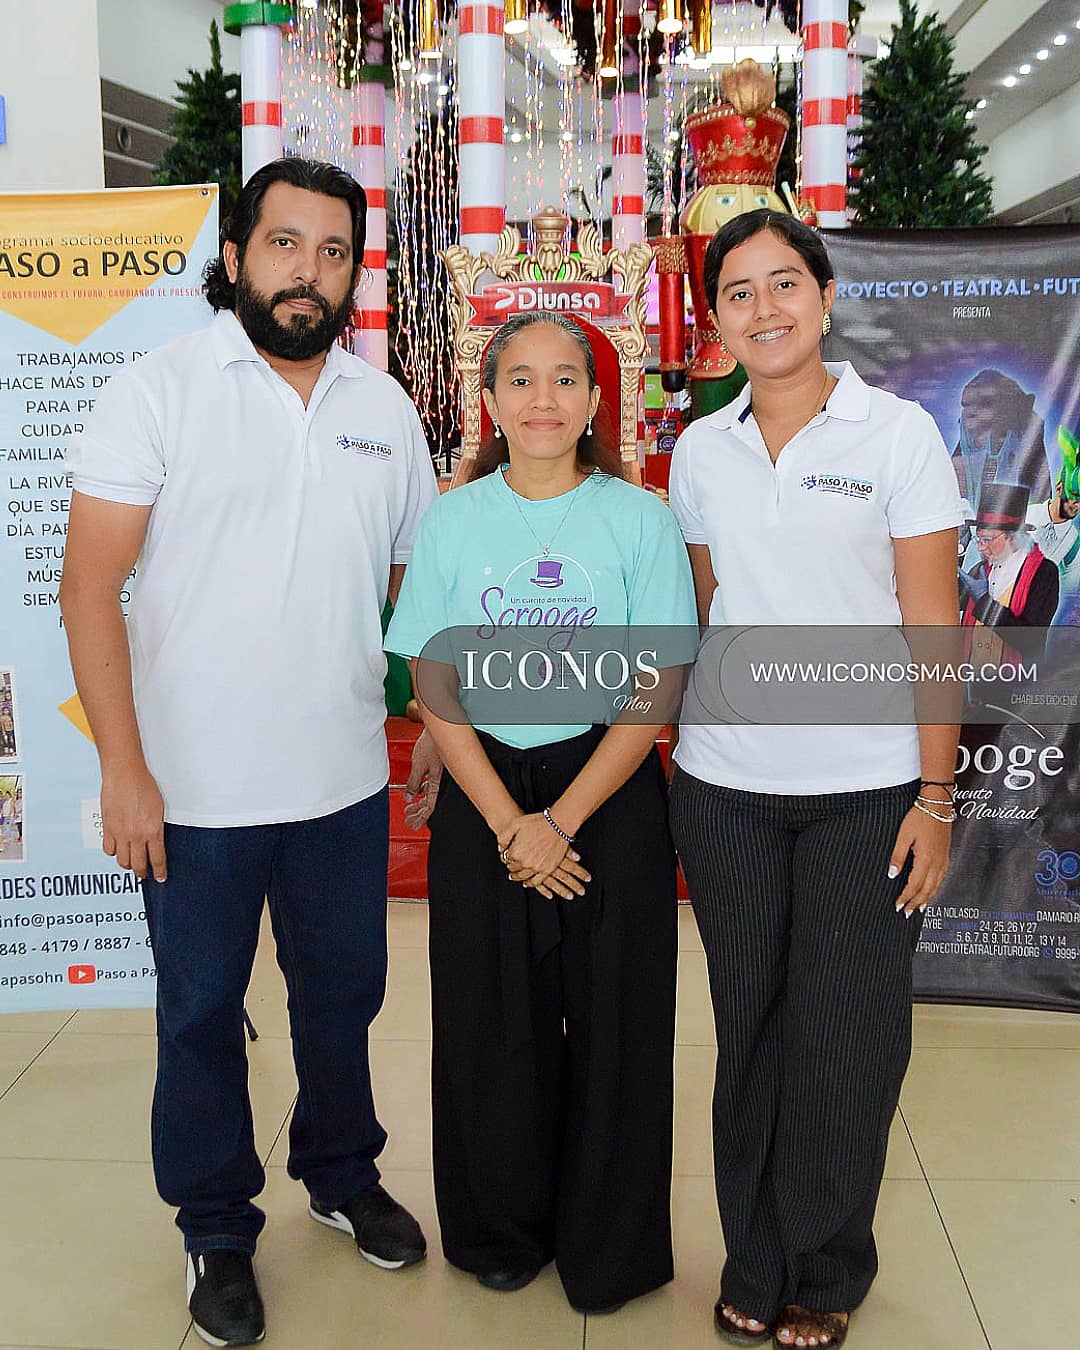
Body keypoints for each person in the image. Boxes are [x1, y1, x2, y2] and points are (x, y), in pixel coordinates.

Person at [60, 157, 439, 1349]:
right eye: (284, 245)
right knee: (200, 1012)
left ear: (353, 273)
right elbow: (86, 590)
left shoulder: (386, 410)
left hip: (340, 783)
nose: (306, 272)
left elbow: (408, 592)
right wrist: (123, 771)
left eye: (333, 252)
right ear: (235, 257)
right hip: (193, 793)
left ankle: (338, 1173)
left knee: (342, 1001)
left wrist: (426, 721)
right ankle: (218, 1226)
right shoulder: (158, 389)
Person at [667, 210, 965, 1350]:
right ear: (717, 321)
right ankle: (755, 1251)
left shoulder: (897, 437)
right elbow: (701, 615)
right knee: (750, 1030)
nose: (764, 309)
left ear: (825, 296)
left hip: (866, 788)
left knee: (846, 1036)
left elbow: (934, 622)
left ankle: (828, 1267)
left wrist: (934, 803)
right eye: (737, 293)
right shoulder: (701, 450)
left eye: (784, 283)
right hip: (725, 785)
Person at [385, 312, 698, 1313]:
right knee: (491, 1020)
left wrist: (559, 819)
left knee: (619, 1023)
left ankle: (610, 1245)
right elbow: (435, 686)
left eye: (566, 379)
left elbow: (658, 689)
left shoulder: (639, 518)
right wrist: (511, 822)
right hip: (487, 792)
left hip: (605, 791)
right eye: (519, 380)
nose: (544, 400)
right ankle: (497, 1227)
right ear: (490, 402)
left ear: (597, 401)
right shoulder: (454, 520)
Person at [960, 482, 1059, 632]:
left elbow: (1031, 641)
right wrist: (959, 547)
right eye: (978, 539)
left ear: (1012, 538)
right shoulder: (979, 570)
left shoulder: (1044, 573)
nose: (980, 547)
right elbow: (943, 599)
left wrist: (985, 604)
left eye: (987, 540)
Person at [951, 369, 1052, 510]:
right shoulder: (963, 459)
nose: (971, 412)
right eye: (966, 405)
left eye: (984, 403)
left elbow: (1038, 504)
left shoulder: (1027, 449)